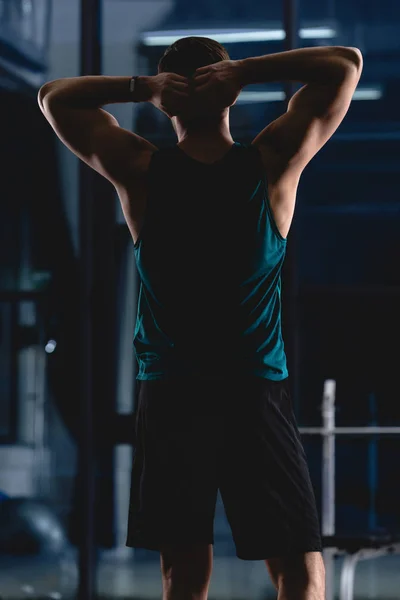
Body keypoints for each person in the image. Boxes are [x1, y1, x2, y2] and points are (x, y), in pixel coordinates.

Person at [38, 37, 363, 600]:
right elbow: (345, 65)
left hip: (175, 394)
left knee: (184, 576)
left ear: (167, 103)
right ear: (230, 95)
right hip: (250, 389)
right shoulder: (272, 163)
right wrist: (244, 71)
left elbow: (54, 98)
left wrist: (143, 89)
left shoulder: (138, 171)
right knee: (300, 573)